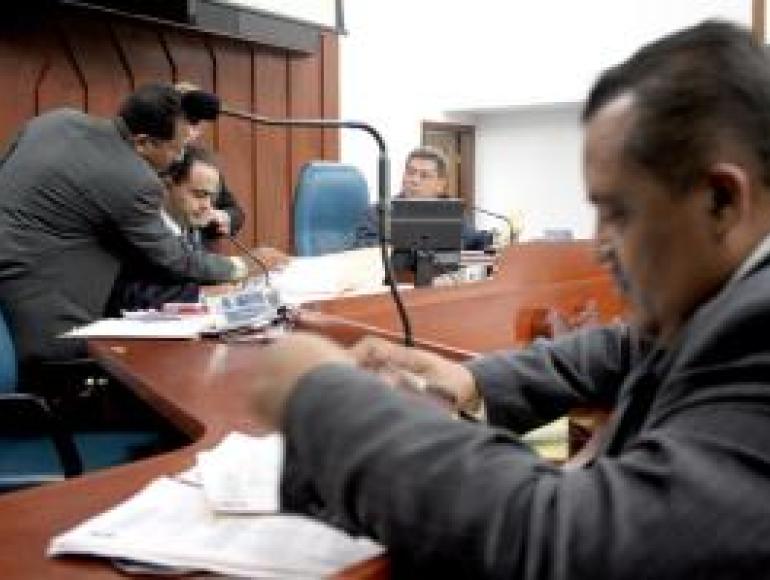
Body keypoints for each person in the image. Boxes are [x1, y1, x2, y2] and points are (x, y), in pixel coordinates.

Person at [248, 20, 770, 578]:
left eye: (618, 213)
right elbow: (620, 348)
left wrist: (321, 398)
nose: (600, 245)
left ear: (721, 201)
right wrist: (470, 380)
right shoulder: (720, 305)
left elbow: (568, 544)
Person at [0, 83, 251, 368]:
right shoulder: (135, 180)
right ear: (143, 142)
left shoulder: (55, 122)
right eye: (178, 149)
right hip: (50, 334)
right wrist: (239, 267)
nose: (181, 157)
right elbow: (174, 258)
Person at [106, 145, 287, 313]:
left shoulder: (190, 226)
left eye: (211, 197)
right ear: (166, 187)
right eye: (199, 195)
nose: (208, 206)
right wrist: (199, 294)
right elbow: (125, 296)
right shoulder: (139, 229)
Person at [358, 146, 490, 250]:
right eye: (410, 173)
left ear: (440, 184)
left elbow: (472, 240)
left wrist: (491, 240)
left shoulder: (452, 212)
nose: (414, 180)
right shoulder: (378, 212)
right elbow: (364, 249)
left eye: (424, 175)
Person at [175, 82, 245, 246]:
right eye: (186, 122)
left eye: (196, 125)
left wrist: (222, 217)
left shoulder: (202, 164)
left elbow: (235, 211)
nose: (190, 132)